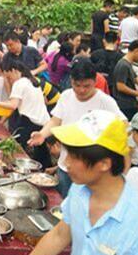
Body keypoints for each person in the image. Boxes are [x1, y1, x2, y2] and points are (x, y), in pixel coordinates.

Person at [6, 110, 138, 255]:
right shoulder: (79, 192)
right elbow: (60, 235)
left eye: (74, 157)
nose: (66, 163)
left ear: (104, 164)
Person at [29, 61, 127, 197]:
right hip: (65, 165)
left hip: (90, 170)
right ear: (71, 81)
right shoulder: (66, 96)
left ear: (95, 81)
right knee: (62, 203)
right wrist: (42, 134)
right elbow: (55, 120)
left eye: (87, 86)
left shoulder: (105, 101)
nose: (81, 90)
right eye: (77, 85)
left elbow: (123, 126)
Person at [0, 59, 52, 168]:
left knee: (22, 154)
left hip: (29, 123)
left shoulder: (20, 83)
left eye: (9, 77)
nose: (9, 81)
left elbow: (13, 105)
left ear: (14, 70)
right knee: (41, 155)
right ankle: (46, 171)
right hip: (43, 124)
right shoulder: (32, 81)